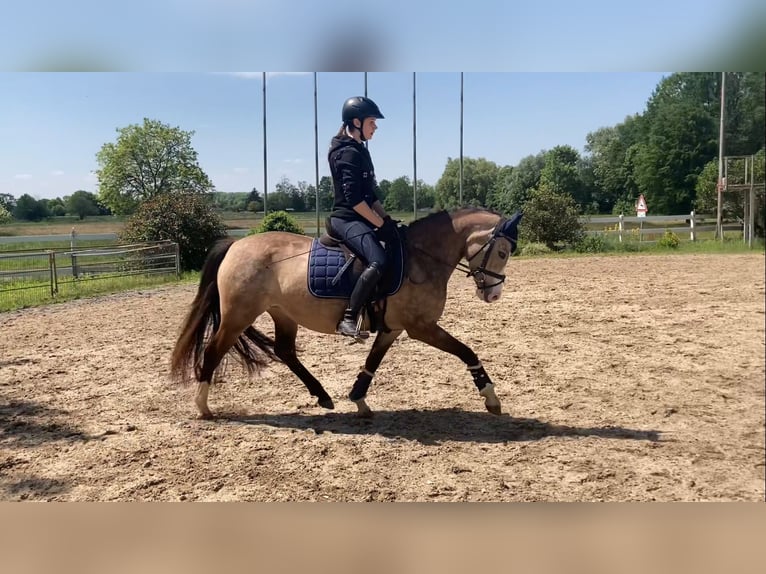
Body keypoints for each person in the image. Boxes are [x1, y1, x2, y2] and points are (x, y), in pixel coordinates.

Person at [328, 96, 398, 339]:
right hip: (346, 219)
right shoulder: (347, 152)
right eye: (372, 122)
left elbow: (371, 195)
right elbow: (355, 200)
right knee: (377, 260)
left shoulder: (360, 150)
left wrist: (387, 221)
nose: (375, 126)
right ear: (356, 122)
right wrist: (379, 224)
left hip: (360, 217)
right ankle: (348, 317)